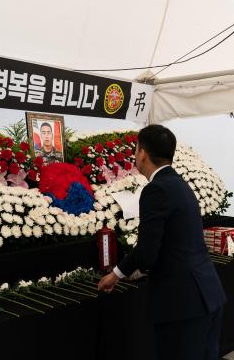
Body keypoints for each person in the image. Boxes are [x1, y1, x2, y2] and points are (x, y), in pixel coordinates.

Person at [97, 124, 226, 360]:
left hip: (183, 303)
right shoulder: (181, 184)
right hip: (207, 293)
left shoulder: (156, 189)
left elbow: (147, 252)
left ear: (143, 153)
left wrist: (116, 274)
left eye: (136, 149)